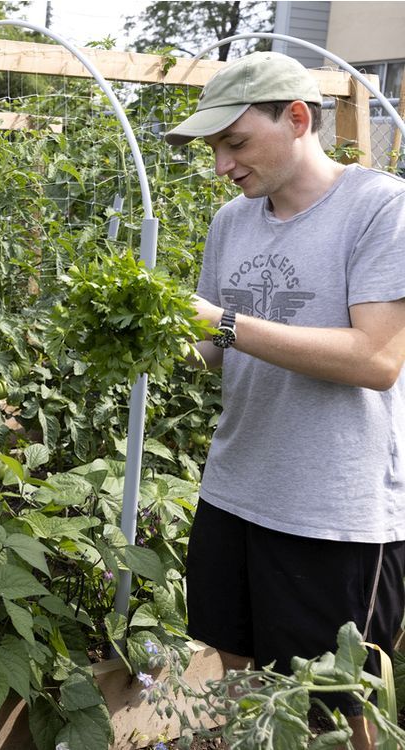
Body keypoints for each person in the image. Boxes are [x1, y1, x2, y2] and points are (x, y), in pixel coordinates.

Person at [166, 51, 405, 750]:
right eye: (214, 149)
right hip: (236, 491)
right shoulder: (230, 223)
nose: (222, 166)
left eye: (234, 143)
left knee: (336, 714)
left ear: (297, 118)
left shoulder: (380, 208)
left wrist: (224, 323)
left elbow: (378, 359)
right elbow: (213, 349)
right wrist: (147, 333)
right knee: (241, 692)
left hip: (334, 513)